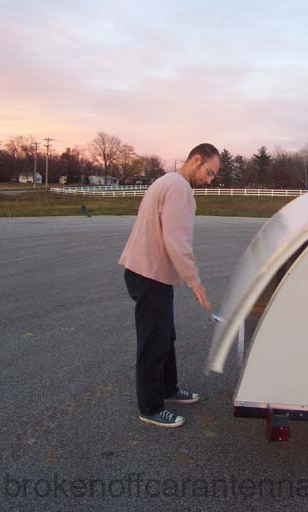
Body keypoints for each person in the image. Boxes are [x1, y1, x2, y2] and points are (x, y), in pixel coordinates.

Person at [119, 143, 219, 428]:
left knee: (165, 336)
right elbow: (177, 241)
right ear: (196, 160)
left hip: (150, 273)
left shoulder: (167, 181)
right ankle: (150, 408)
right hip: (149, 274)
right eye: (209, 172)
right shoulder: (178, 188)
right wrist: (194, 281)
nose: (209, 180)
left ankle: (168, 388)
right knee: (153, 342)